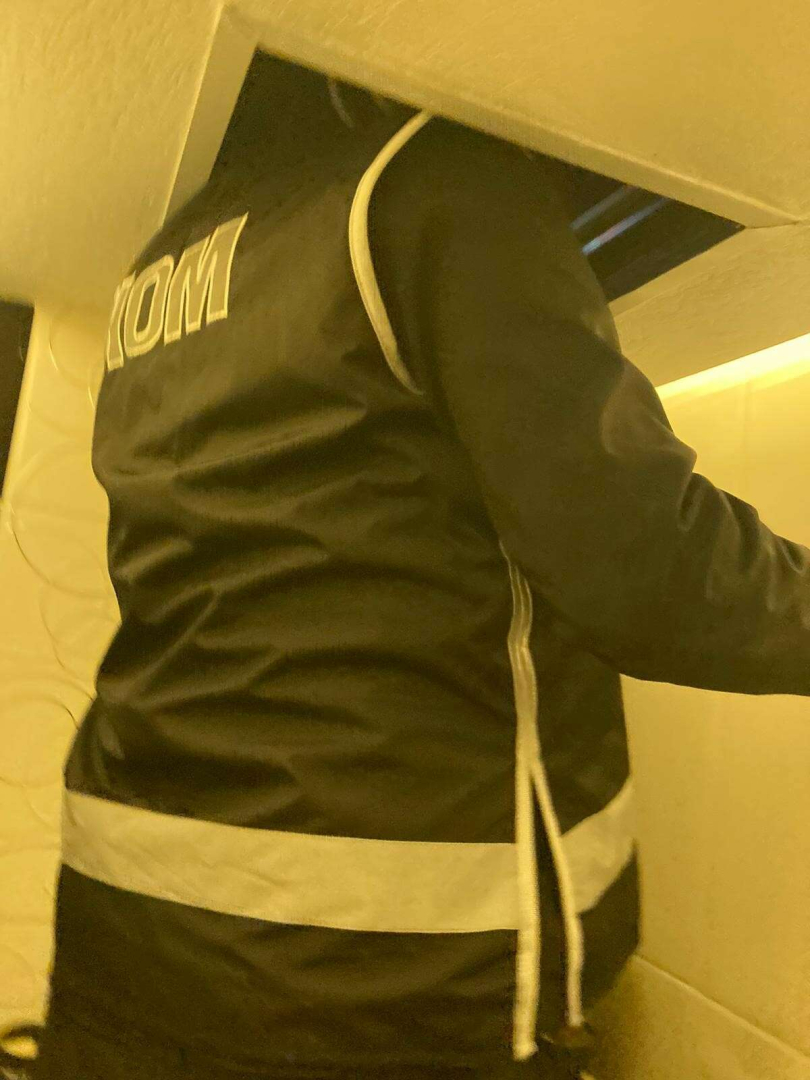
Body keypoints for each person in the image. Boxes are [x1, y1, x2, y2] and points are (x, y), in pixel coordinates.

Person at [16, 48, 810, 1080]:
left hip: (121, 948)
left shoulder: (162, 263)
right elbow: (645, 569)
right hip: (376, 991)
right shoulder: (439, 176)